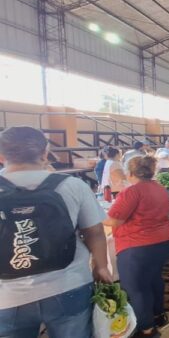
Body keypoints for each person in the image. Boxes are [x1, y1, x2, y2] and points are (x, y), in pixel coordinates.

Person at [0, 127, 111, 338]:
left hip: (7, 296)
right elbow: (94, 232)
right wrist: (101, 265)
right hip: (68, 283)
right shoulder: (72, 186)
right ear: (45, 152)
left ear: (1, 156)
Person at [104, 156, 169, 338]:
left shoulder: (132, 192)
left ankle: (147, 329)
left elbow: (114, 220)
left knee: (136, 287)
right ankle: (158, 315)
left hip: (139, 246)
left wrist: (93, 214)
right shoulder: (159, 188)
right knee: (153, 279)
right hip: (164, 241)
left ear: (130, 173)